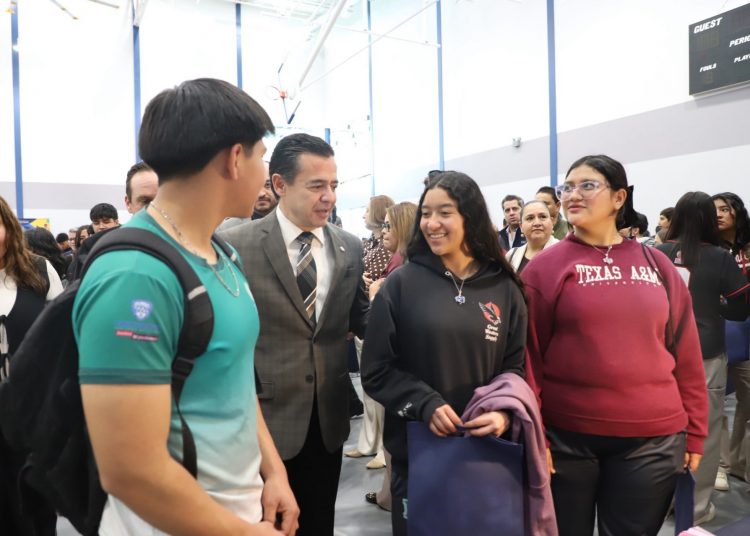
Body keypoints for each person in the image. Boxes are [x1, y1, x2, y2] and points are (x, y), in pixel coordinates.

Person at [74, 78, 298, 535]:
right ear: (234, 159)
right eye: (261, 156)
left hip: (236, 510)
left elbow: (232, 379)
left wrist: (273, 471)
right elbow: (129, 470)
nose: (264, 175)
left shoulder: (221, 254)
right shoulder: (134, 275)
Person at [523, 155, 708, 536]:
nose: (573, 195)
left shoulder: (657, 264)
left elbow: (686, 352)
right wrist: (534, 434)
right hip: (565, 437)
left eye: (587, 185)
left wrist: (696, 429)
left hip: (652, 439)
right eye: (567, 187)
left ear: (619, 197)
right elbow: (529, 359)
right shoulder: (545, 268)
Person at [219, 133, 369, 536]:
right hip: (262, 421)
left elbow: (362, 318)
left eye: (334, 185)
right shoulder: (234, 246)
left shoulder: (349, 247)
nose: (329, 196)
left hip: (328, 420)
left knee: (319, 522)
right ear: (279, 184)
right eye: (316, 185)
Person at [361, 171, 527, 536]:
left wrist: (502, 413)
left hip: (486, 452)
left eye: (445, 212)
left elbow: (515, 369)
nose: (431, 223)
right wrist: (424, 404)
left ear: (470, 217)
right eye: (426, 213)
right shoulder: (401, 284)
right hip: (419, 455)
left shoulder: (503, 287)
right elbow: (376, 370)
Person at [656, 191, 750, 524]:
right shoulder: (720, 257)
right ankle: (694, 508)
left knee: (661, 429)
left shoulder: (656, 254)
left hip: (660, 353)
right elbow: (739, 309)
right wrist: (714, 306)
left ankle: (660, 501)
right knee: (704, 430)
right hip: (705, 352)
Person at [0, 196, 64, 532]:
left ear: (8, 225)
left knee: (34, 511)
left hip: (32, 417)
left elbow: (64, 340)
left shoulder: (39, 271)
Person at [363, 200, 417, 512]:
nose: (384, 231)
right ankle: (388, 495)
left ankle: (392, 497)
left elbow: (388, 326)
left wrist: (375, 296)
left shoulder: (403, 269)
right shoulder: (401, 262)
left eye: (388, 225)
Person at [345, 195, 394, 463]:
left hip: (375, 315)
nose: (364, 214)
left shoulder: (387, 248)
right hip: (364, 315)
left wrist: (367, 280)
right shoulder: (369, 244)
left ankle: (382, 447)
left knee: (378, 384)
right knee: (367, 385)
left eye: (366, 209)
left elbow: (383, 279)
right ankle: (369, 441)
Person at [713, 192, 750, 490]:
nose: (719, 214)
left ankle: (740, 462)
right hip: (717, 331)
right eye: (713, 210)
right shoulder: (708, 248)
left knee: (747, 401)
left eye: (725, 209)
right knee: (716, 400)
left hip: (746, 332)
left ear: (737, 212)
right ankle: (720, 465)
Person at [219, 163, 277, 230]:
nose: (261, 194)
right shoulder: (226, 229)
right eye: (253, 187)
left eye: (267, 185)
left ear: (278, 185)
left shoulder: (287, 222)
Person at [506, 200, 559, 273]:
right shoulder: (511, 256)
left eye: (542, 217)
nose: (537, 223)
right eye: (530, 218)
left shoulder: (564, 252)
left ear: (552, 222)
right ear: (521, 226)